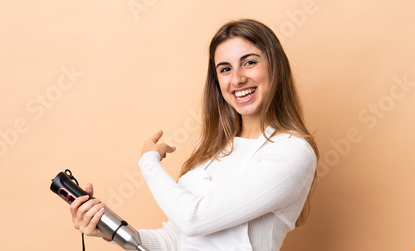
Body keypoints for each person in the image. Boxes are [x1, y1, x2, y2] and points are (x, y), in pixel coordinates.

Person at [69, 18, 319, 251]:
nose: (237, 79)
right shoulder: (214, 147)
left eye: (249, 62)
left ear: (275, 67)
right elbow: (172, 242)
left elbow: (193, 219)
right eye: (224, 69)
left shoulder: (292, 152)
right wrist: (109, 228)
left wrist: (148, 161)